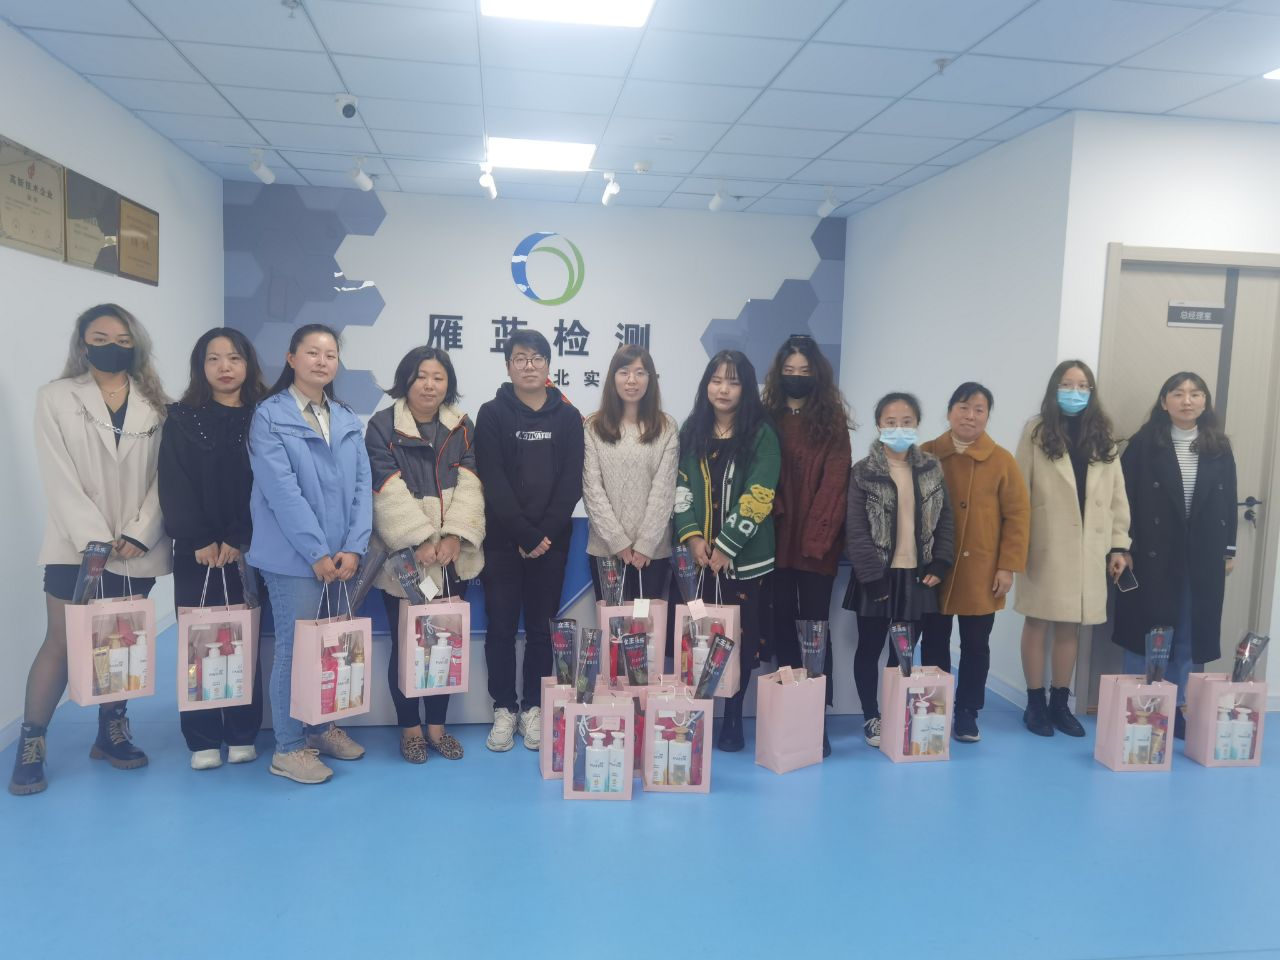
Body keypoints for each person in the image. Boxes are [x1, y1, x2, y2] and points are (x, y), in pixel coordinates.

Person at [11, 304, 171, 796]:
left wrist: (141, 531)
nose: (111, 347)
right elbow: (56, 474)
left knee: (121, 641)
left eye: (122, 340)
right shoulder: (56, 397)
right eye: (100, 338)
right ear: (83, 344)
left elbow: (167, 476)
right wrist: (94, 538)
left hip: (137, 546)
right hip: (75, 546)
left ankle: (111, 732)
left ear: (136, 345)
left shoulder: (158, 403)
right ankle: (32, 743)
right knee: (60, 641)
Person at [247, 323, 371, 785]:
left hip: (340, 561)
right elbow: (282, 492)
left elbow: (362, 488)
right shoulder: (269, 416)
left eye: (330, 354)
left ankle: (320, 728)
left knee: (328, 649)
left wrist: (354, 547)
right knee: (295, 651)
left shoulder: (346, 417)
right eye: (312, 352)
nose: (322, 361)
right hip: (294, 559)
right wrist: (317, 552)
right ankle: (288, 747)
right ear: (291, 358)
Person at [366, 346, 484, 764]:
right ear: (406, 380)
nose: (429, 385)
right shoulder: (382, 426)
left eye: (438, 377)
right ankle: (410, 729)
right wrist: (418, 539)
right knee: (407, 645)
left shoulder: (461, 425)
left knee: (444, 643)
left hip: (451, 558)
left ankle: (437, 727)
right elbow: (385, 487)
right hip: (404, 560)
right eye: (421, 376)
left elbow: (471, 482)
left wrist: (454, 537)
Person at [159, 327, 267, 770]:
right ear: (200, 366)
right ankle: (202, 737)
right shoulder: (182, 417)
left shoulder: (265, 416)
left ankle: (242, 732)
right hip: (196, 550)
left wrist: (239, 537)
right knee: (199, 643)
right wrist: (199, 538)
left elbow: (267, 484)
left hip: (249, 547)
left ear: (248, 365)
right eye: (214, 359)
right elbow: (173, 482)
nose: (225, 367)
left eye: (234, 358)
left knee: (242, 641)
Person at [475, 330, 584, 753]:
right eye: (520, 358)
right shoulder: (491, 414)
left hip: (552, 544)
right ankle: (504, 707)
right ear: (508, 366)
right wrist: (523, 534)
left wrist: (543, 536)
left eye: (537, 358)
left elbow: (571, 482)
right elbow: (493, 479)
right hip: (503, 542)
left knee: (541, 629)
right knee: (501, 628)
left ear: (548, 365)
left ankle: (534, 708)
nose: (529, 366)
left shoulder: (568, 417)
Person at [1112, 372, 1237, 739]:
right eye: (1178, 393)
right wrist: (1121, 546)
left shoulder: (1218, 446)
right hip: (1151, 551)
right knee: (1147, 632)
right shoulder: (1143, 444)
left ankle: (1177, 706)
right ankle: (1138, 704)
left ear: (1204, 402)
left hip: (1201, 554)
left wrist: (1229, 549)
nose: (1187, 400)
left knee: (1186, 633)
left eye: (1195, 394)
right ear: (1164, 402)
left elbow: (1228, 499)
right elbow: (1124, 498)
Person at [1015, 360, 1129, 738]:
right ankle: (1035, 703)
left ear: (1091, 392)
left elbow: (1116, 496)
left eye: (1082, 386)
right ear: (1054, 388)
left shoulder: (1102, 436)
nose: (1075, 392)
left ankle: (1059, 703)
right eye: (1067, 384)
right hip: (1045, 544)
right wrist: (1017, 544)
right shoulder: (1036, 431)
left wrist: (1118, 546)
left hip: (1088, 547)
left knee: (1070, 625)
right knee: (1037, 621)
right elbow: (1019, 490)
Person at [673, 349, 780, 752]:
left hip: (744, 559)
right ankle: (696, 714)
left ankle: (733, 717)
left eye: (733, 382)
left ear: (746, 388)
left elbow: (760, 493)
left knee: (739, 639)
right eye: (716, 380)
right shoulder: (692, 428)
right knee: (698, 639)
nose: (723, 389)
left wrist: (726, 546)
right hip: (698, 560)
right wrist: (692, 537)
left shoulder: (762, 433)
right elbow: (680, 486)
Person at [919, 383, 1029, 743]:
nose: (970, 416)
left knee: (976, 645)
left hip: (982, 570)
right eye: (964, 407)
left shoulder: (1002, 460)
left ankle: (967, 711)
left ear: (987, 416)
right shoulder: (926, 454)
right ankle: (933, 705)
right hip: (933, 568)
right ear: (950, 411)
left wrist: (1007, 566)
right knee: (933, 640)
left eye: (979, 410)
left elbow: (1017, 516)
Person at [844, 392, 954, 748]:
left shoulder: (931, 469)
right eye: (890, 422)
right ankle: (870, 716)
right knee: (869, 648)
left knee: (902, 653)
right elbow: (856, 529)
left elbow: (946, 519)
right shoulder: (863, 471)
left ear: (917, 424)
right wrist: (872, 577)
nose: (899, 428)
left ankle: (894, 712)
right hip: (876, 575)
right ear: (879, 425)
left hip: (917, 576)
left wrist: (941, 561)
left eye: (906, 422)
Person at [760, 334, 851, 756]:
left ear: (817, 375)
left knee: (815, 631)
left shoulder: (832, 420)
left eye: (804, 371)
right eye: (789, 371)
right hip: (774, 542)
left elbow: (836, 482)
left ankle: (815, 717)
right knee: (781, 627)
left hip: (818, 547)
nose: (796, 377)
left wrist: (815, 537)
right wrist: (775, 516)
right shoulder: (765, 417)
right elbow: (760, 475)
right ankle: (787, 710)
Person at [582, 344, 678, 602]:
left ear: (651, 379)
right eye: (624, 372)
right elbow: (592, 489)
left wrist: (645, 544)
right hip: (606, 550)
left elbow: (664, 491)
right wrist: (618, 542)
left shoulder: (666, 427)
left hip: (652, 553)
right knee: (613, 625)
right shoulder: (593, 426)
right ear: (613, 377)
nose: (632, 380)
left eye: (640, 373)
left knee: (648, 625)